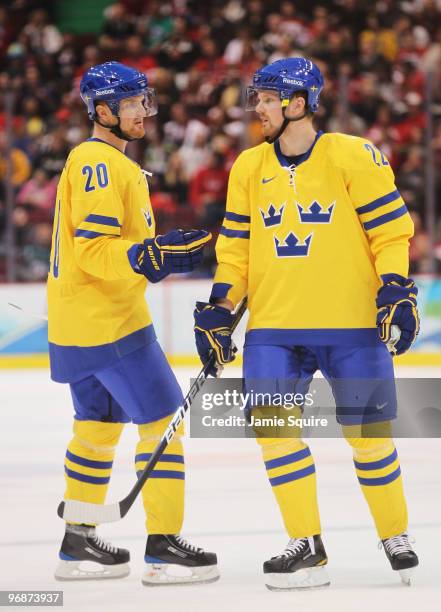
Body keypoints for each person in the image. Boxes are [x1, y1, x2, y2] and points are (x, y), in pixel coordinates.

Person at [194, 57, 420, 590]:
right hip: (273, 329)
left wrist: (394, 286)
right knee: (274, 435)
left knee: (368, 437)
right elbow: (237, 250)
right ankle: (306, 543)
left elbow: (391, 232)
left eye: (268, 99)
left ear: (298, 103)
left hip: (351, 327)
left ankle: (394, 533)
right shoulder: (248, 167)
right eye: (258, 98)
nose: (259, 108)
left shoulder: (352, 155)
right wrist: (222, 308)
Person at [48, 61, 218, 585]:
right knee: (163, 423)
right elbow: (95, 249)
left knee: (95, 430)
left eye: (145, 101)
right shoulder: (100, 162)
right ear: (103, 111)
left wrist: (152, 255)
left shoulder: (105, 162)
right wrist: (149, 257)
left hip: (73, 325)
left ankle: (77, 543)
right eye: (132, 104)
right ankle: (164, 547)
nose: (144, 112)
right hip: (112, 323)